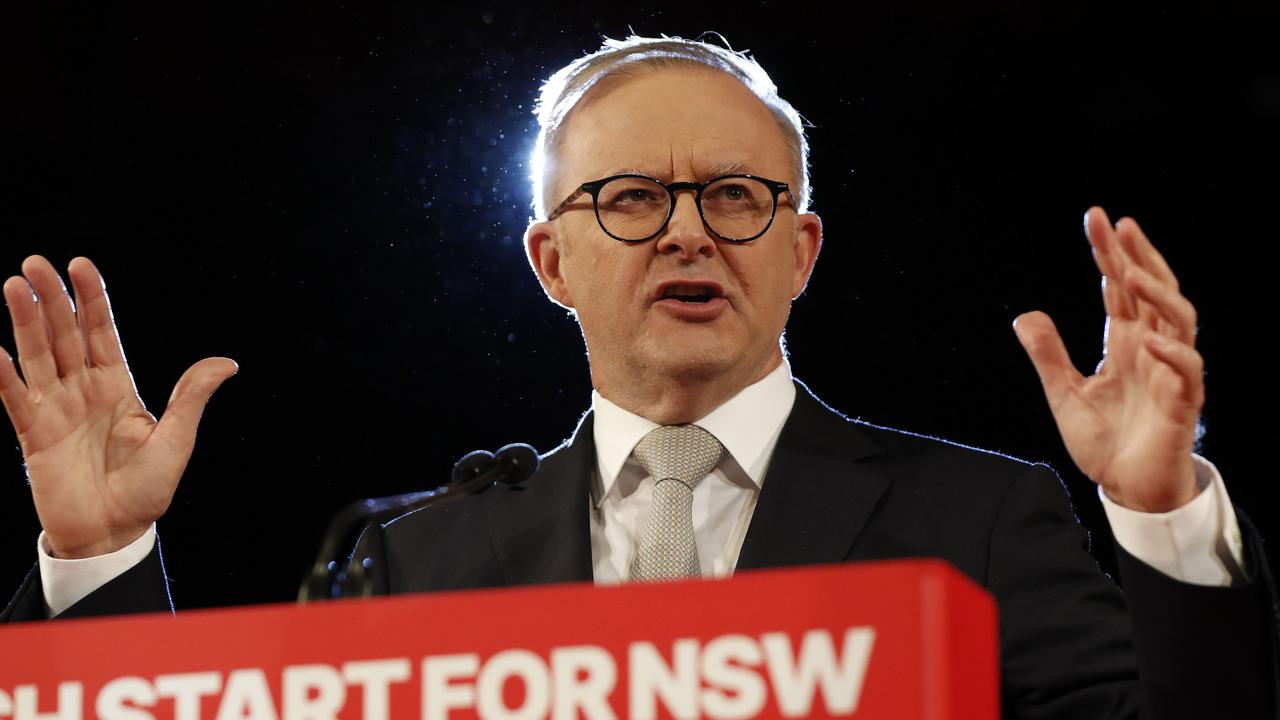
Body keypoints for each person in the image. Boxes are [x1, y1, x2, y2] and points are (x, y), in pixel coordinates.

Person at [2, 34, 1276, 717]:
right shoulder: (420, 557)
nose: (683, 232)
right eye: (627, 199)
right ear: (551, 261)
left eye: (731, 194)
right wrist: (100, 562)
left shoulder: (979, 520)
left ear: (800, 248)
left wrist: (1161, 510)